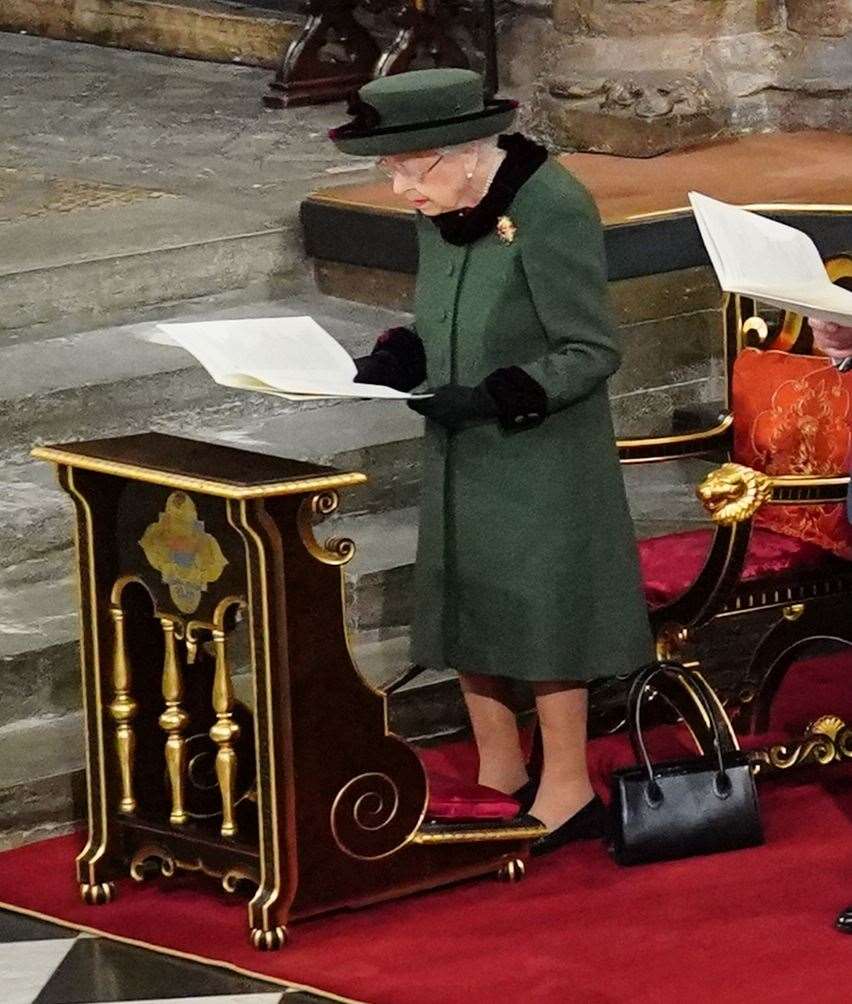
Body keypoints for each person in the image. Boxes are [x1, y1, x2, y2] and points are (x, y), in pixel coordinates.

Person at [329, 68, 653, 854]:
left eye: (414, 168)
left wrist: (497, 395)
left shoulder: (553, 208)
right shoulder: (444, 201)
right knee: (468, 598)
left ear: (469, 152)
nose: (403, 188)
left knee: (541, 612)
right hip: (461, 444)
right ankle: (499, 769)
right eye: (392, 171)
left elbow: (591, 349)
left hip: (540, 447)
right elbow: (437, 309)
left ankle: (569, 786)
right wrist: (400, 356)